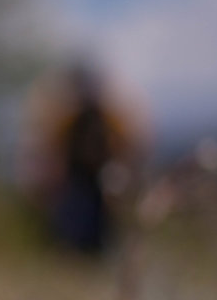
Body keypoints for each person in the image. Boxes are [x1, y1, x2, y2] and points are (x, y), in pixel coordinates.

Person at [23, 62, 144, 254]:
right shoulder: (69, 117)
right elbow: (53, 148)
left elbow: (127, 145)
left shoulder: (107, 116)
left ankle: (90, 256)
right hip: (77, 178)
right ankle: (75, 255)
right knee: (75, 222)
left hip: (99, 178)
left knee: (100, 224)